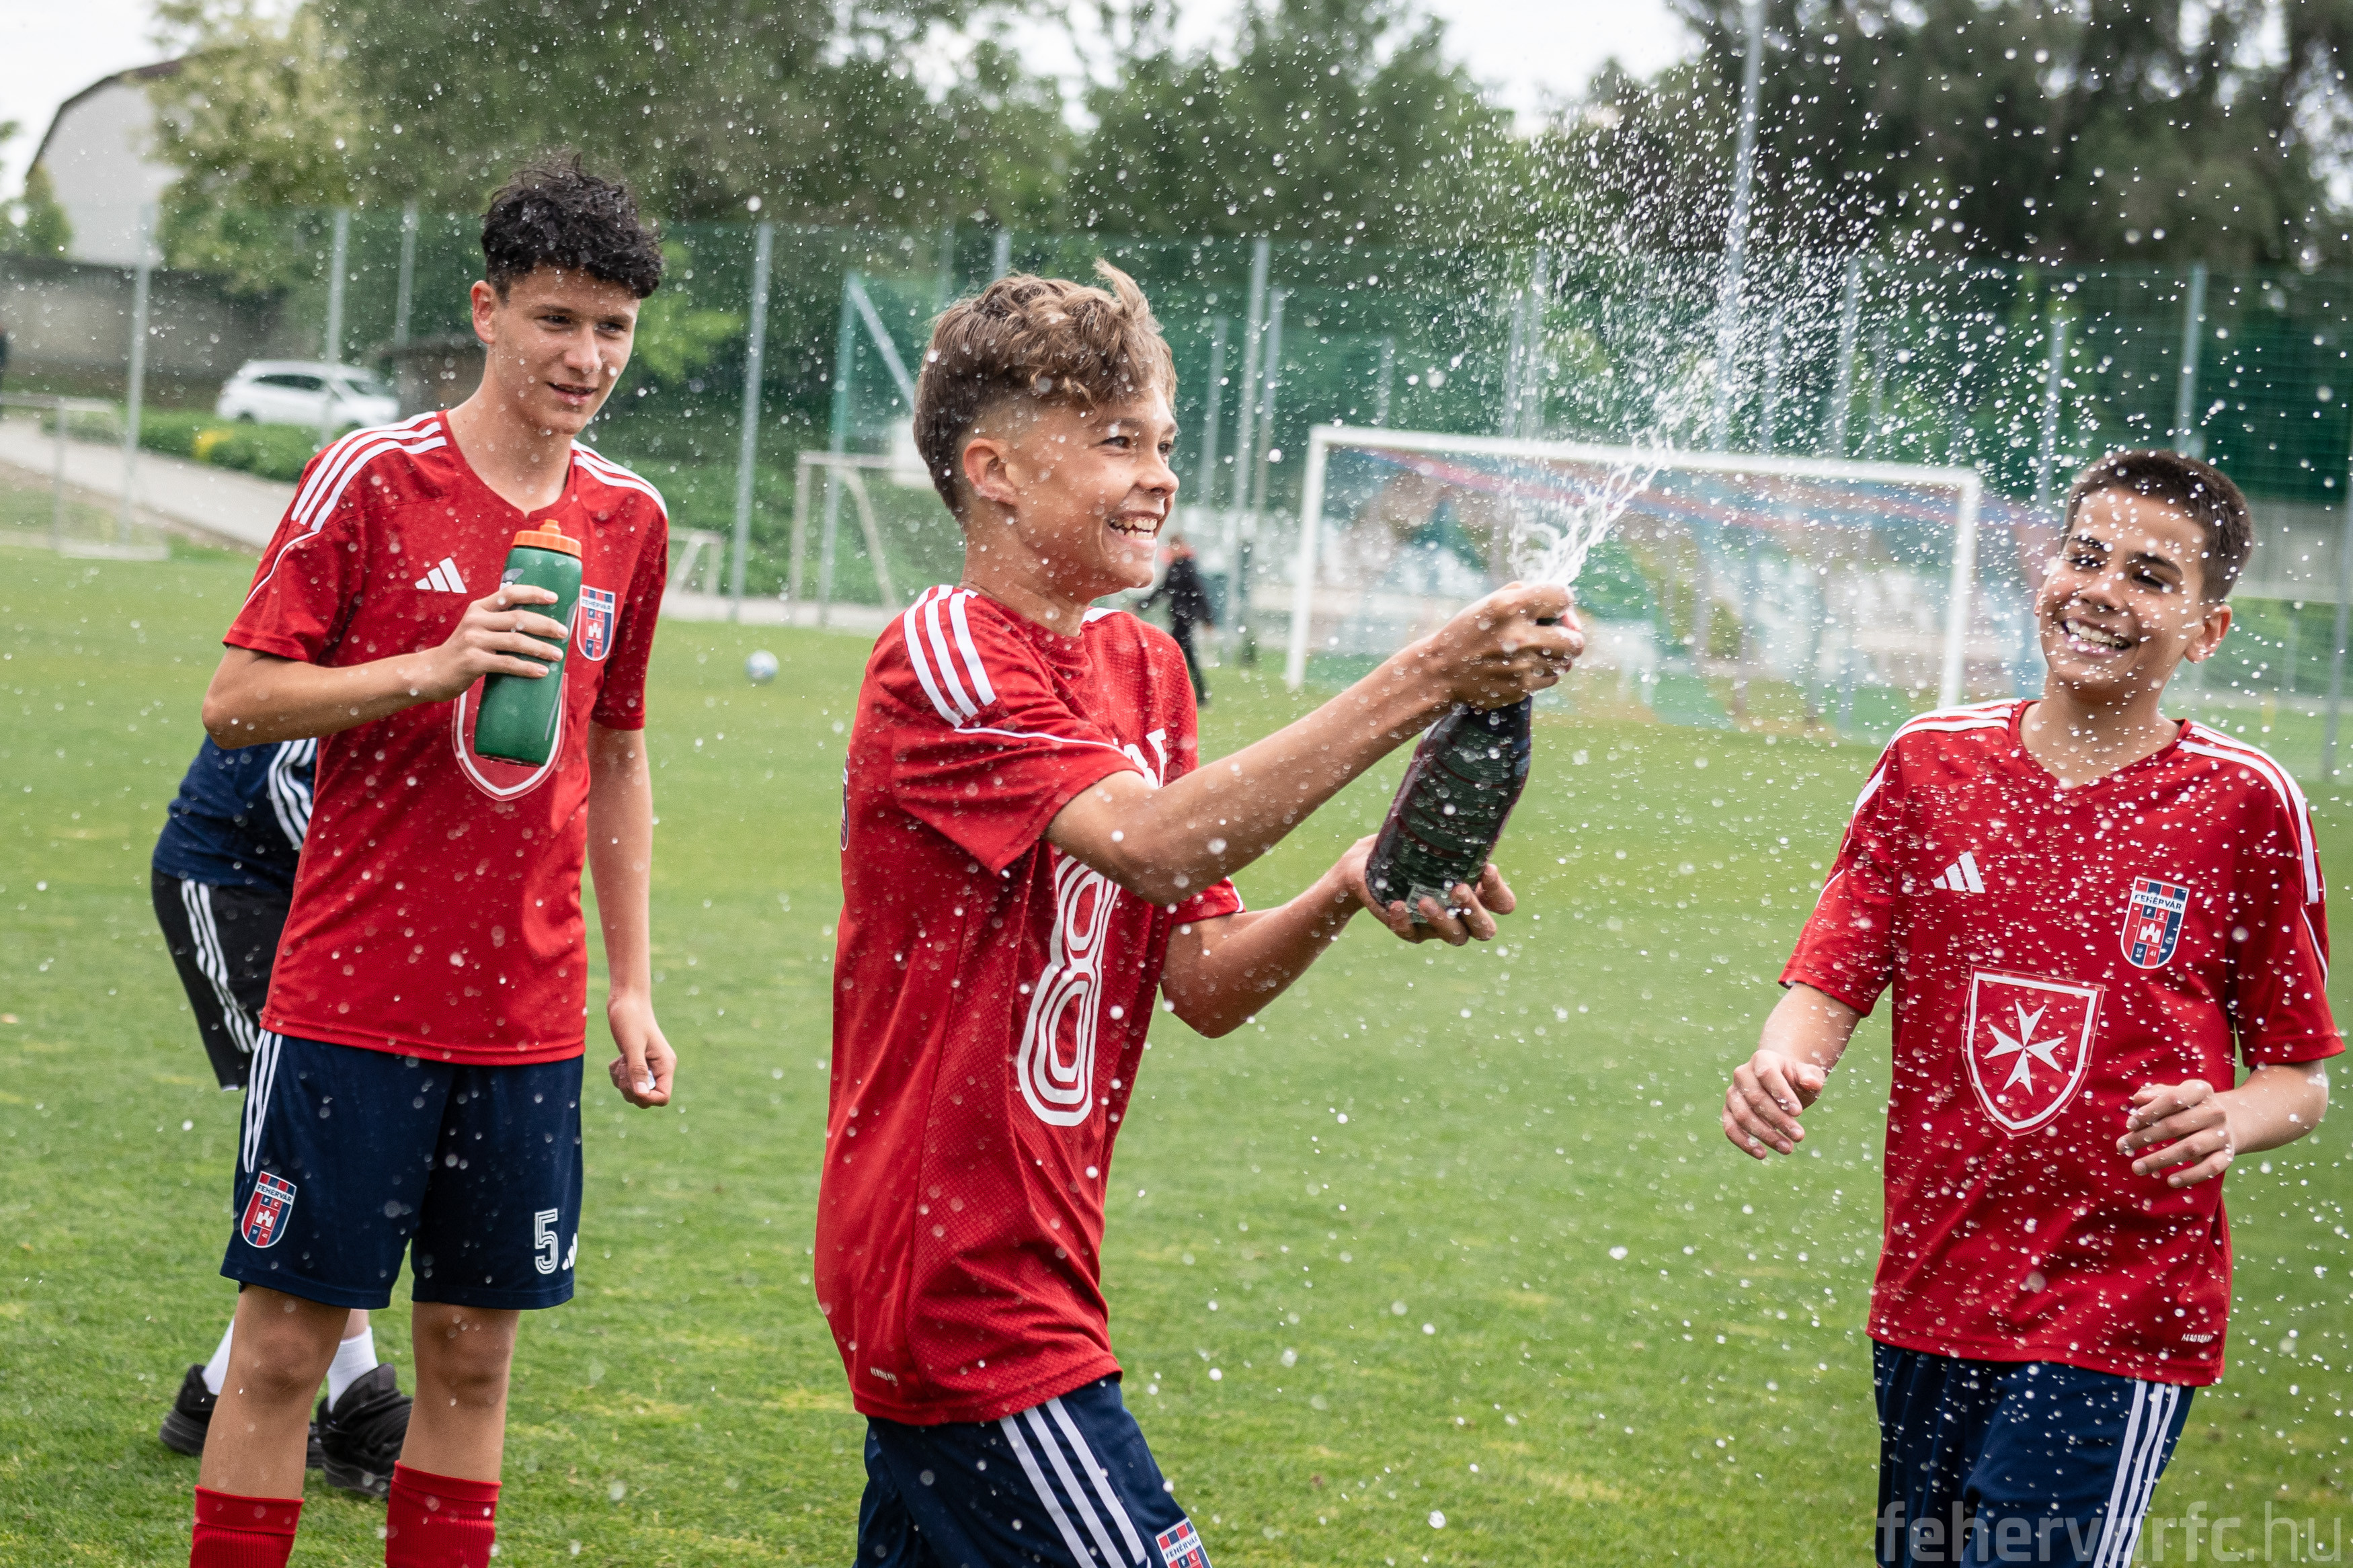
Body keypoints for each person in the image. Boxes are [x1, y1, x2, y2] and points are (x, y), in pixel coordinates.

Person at [817, 263, 1581, 1567]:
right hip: (957, 1281)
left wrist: (1343, 885)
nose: (1160, 476)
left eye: (1164, 443)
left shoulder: (1145, 667)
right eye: (1118, 441)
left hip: (1037, 1267)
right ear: (994, 471)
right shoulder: (944, 652)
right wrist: (1427, 673)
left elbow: (1204, 976)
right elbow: (1157, 844)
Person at [185, 151, 677, 1568]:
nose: (585, 357)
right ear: (486, 309)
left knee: (471, 1354)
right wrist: (432, 663)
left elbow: (619, 756)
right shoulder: (374, 478)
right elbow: (236, 699)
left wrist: (630, 985)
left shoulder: (629, 519)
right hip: (351, 997)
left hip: (524, 1017)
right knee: (285, 1349)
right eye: (556, 319)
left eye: (613, 327)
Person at [1722, 450, 2336, 1568]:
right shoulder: (1928, 764)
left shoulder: (2244, 802)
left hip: (2122, 1304)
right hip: (1933, 1285)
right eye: (2085, 557)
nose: (2102, 591)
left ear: (2206, 630)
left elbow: (2300, 1078)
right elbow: (1833, 976)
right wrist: (1782, 1060)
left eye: (2150, 576)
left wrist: (2228, 1116)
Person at [151, 735, 415, 1492]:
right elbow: (279, 775)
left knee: (334, 1134)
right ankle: (357, 1393)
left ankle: (217, 1390)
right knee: (313, 1136)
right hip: (232, 887)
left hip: (315, 901)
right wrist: (395, 872)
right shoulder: (343, 657)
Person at [1138, 531, 1217, 704]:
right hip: (1178, 617)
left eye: (1176, 546)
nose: (1173, 550)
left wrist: (1208, 619)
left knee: (1171, 654)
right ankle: (1197, 695)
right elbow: (1162, 590)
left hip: (1185, 619)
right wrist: (1141, 604)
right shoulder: (1174, 567)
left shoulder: (1188, 567)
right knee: (1183, 656)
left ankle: (1164, 693)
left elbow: (1200, 594)